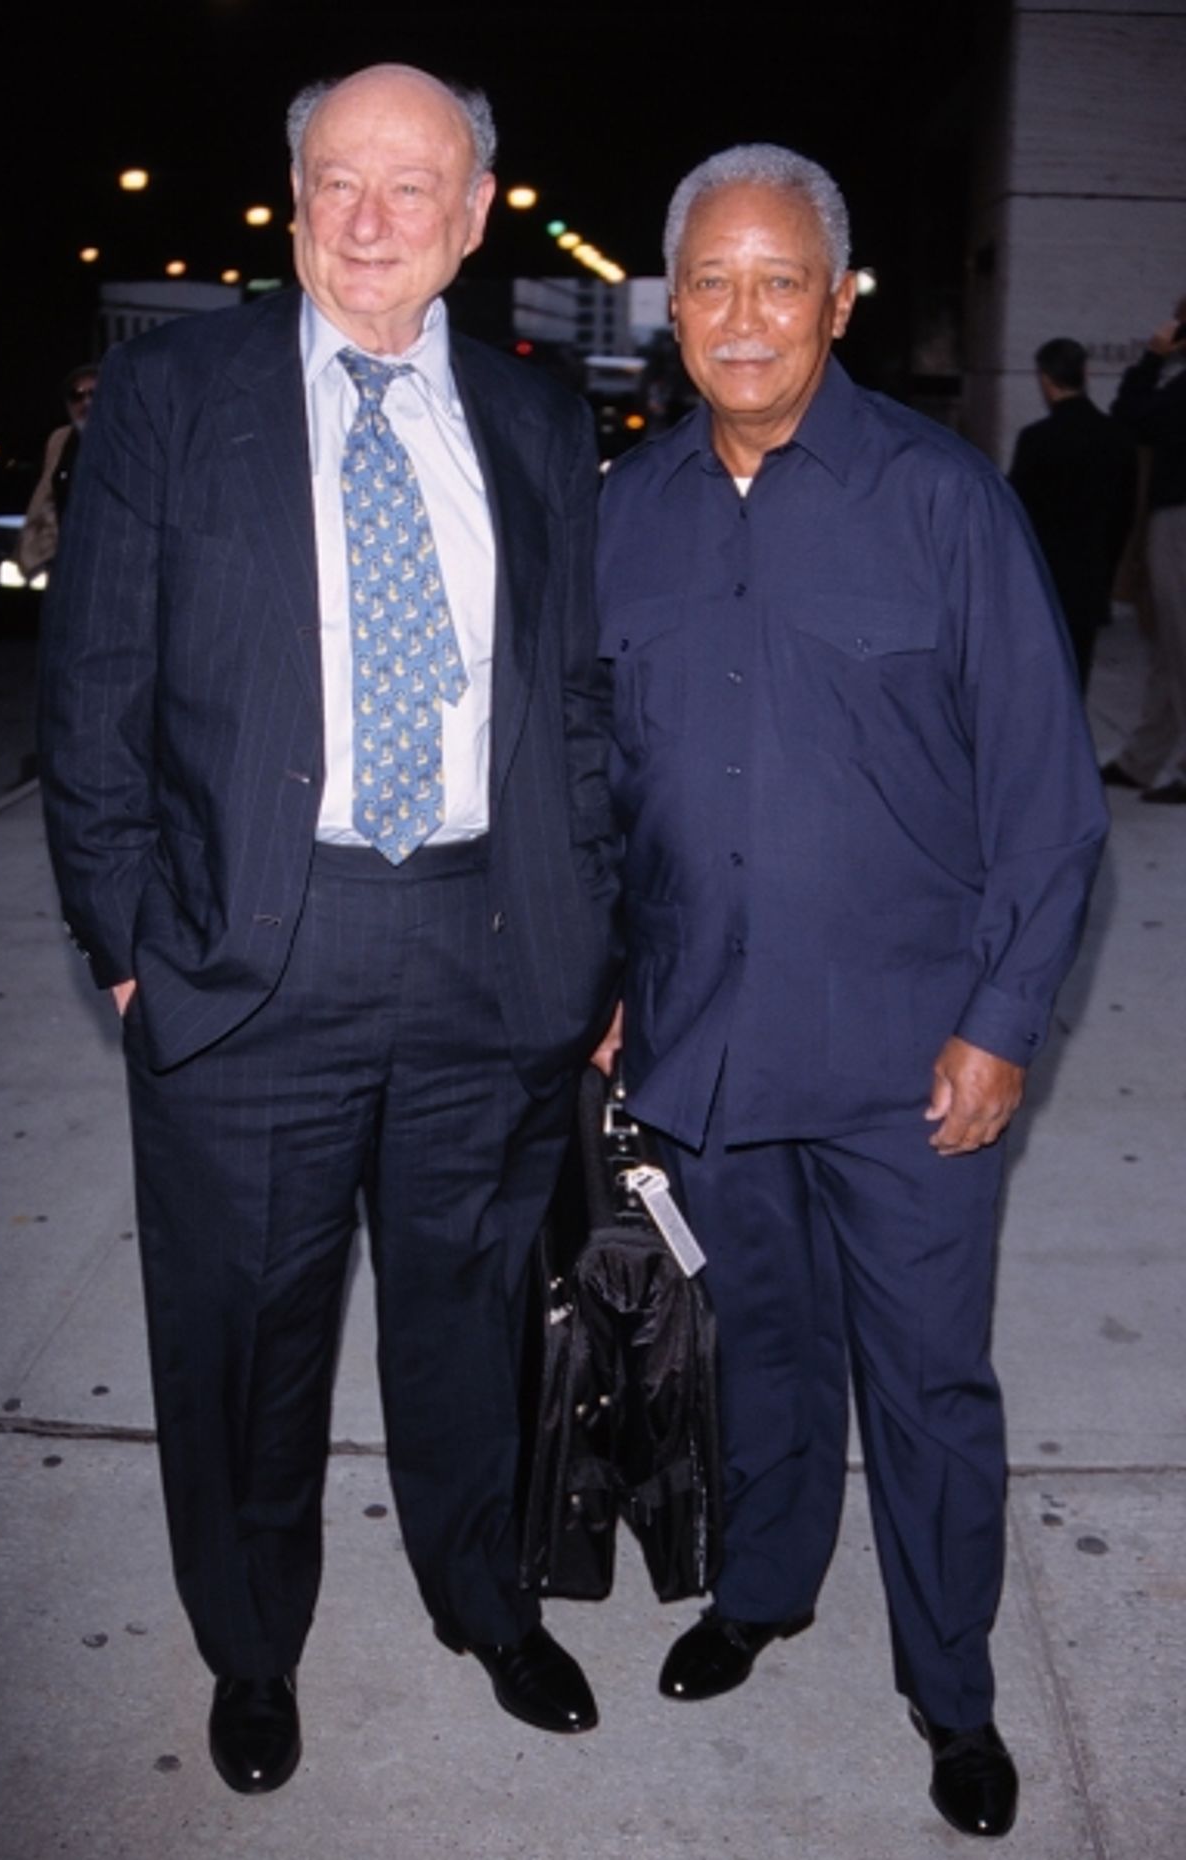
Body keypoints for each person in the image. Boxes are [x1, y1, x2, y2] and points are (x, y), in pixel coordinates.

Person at [38, 63, 620, 1793]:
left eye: (409, 186)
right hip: (245, 960)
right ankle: (250, 1643)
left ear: (468, 215)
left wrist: (590, 945)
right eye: (336, 183)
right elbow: (91, 705)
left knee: (471, 1310)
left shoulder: (534, 420)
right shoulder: (171, 399)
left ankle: (482, 1594)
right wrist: (136, 948)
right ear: (296, 202)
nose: (369, 218)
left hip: (479, 946)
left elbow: (573, 706)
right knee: (242, 1336)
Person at [593, 145, 1107, 1840]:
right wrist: (609, 986)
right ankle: (760, 1595)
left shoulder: (942, 502)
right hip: (712, 1050)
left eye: (780, 282)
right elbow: (603, 785)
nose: (746, 318)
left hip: (912, 1061)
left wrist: (1006, 1020)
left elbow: (1047, 792)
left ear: (839, 300)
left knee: (928, 1381)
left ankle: (950, 1696)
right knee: (767, 1359)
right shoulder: (627, 518)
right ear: (673, 310)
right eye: (713, 286)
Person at [1008, 336, 1136, 690]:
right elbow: (1123, 516)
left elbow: (1017, 515)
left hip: (1044, 578)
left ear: (1045, 380)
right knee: (1077, 675)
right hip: (1090, 576)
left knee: (1038, 681)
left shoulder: (1036, 439)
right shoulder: (1115, 438)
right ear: (1085, 373)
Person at [1101, 296, 1186, 802]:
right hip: (1173, 518)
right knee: (1166, 650)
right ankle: (1142, 760)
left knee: (1179, 647)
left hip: (1179, 520)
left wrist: (1153, 356)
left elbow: (1129, 415)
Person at [15, 363, 98, 581]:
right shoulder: (60, 441)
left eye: (94, 393)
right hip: (67, 566)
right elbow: (44, 501)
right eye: (76, 395)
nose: (86, 402)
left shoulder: (129, 440)